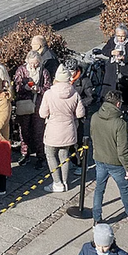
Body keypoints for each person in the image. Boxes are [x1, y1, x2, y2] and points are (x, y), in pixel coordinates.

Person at [90, 90, 128, 224]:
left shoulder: (95, 117)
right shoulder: (120, 123)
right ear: (117, 104)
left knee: (99, 189)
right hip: (115, 162)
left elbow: (93, 137)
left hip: (99, 158)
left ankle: (97, 219)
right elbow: (122, 149)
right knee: (124, 188)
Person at [39, 64, 86, 193]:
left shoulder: (49, 94)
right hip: (68, 130)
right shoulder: (74, 93)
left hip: (53, 130)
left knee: (51, 155)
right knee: (64, 156)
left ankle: (57, 183)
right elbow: (80, 113)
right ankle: (65, 182)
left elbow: (42, 114)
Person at [14, 51, 52, 164]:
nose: (33, 66)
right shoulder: (21, 70)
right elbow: (16, 87)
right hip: (25, 103)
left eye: (36, 63)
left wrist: (39, 89)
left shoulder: (44, 71)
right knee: (24, 130)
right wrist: (25, 87)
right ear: (27, 61)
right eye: (31, 63)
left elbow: (48, 88)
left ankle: (41, 155)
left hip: (38, 105)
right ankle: (25, 153)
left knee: (38, 130)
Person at [102, 23, 128, 105]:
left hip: (124, 70)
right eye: (118, 36)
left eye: (122, 36)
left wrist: (124, 58)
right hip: (112, 69)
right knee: (109, 87)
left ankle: (125, 105)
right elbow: (104, 51)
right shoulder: (112, 41)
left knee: (124, 89)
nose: (120, 38)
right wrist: (111, 52)